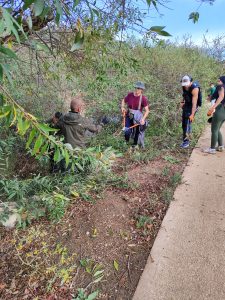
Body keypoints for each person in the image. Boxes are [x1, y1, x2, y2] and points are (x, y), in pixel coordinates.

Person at [121, 81, 149, 148]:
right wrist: (122, 107)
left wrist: (143, 119)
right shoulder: (130, 95)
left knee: (137, 132)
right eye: (136, 88)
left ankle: (135, 146)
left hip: (137, 118)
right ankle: (126, 144)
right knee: (126, 131)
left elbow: (147, 111)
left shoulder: (143, 99)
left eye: (139, 88)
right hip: (129, 116)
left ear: (142, 90)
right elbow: (123, 100)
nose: (137, 90)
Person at [203, 76, 225, 154]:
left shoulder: (220, 86)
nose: (218, 81)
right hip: (224, 111)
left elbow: (221, 96)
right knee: (217, 129)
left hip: (220, 109)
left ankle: (212, 149)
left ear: (222, 81)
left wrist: (213, 107)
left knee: (214, 130)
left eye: (219, 80)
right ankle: (220, 146)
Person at [180, 75, 201, 148]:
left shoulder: (195, 89)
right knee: (184, 124)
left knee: (187, 123)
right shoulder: (184, 86)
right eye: (184, 85)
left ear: (191, 82)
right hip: (187, 105)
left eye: (187, 84)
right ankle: (185, 138)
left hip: (193, 106)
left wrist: (192, 114)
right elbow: (184, 95)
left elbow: (194, 103)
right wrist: (182, 102)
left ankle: (186, 142)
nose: (185, 86)